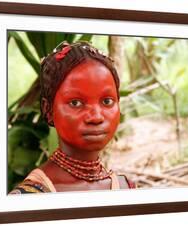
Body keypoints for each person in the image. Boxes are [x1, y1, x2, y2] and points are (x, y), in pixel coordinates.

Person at [9, 41, 136, 194]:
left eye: (107, 101)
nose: (96, 117)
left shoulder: (125, 187)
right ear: (48, 110)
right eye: (76, 103)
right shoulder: (30, 197)